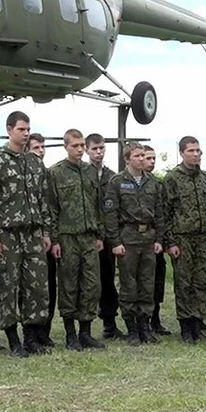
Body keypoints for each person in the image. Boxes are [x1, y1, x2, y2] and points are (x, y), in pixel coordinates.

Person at [0, 111, 53, 357]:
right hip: (7, 235)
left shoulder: (35, 162)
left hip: (33, 233)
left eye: (28, 129)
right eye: (21, 129)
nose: (26, 133)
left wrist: (45, 231)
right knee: (8, 286)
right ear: (9, 129)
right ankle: (13, 340)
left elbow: (43, 199)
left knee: (36, 286)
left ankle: (32, 336)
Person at [48, 129, 105, 351]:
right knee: (69, 284)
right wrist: (54, 240)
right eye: (75, 146)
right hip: (67, 236)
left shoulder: (91, 171)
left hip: (89, 237)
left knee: (91, 285)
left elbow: (97, 204)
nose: (80, 149)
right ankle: (70, 334)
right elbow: (52, 208)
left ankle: (86, 332)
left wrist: (99, 234)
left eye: (82, 145)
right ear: (66, 147)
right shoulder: (55, 173)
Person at [104, 142, 164, 345]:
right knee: (129, 285)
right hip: (127, 239)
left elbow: (159, 213)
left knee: (147, 284)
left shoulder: (153, 183)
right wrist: (115, 241)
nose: (141, 158)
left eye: (143, 155)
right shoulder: (117, 182)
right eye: (137, 155)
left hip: (148, 239)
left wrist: (159, 239)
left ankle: (145, 326)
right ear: (127, 158)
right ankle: (132, 329)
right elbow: (110, 214)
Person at [162, 136, 206, 344]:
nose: (196, 155)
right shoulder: (172, 178)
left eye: (198, 151)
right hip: (182, 238)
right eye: (191, 151)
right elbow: (166, 212)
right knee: (184, 282)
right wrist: (171, 242)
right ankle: (186, 326)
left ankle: (197, 321)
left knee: (201, 282)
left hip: (203, 238)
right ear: (182, 153)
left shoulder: (205, 178)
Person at [87, 133, 123, 340]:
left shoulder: (112, 176)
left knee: (108, 280)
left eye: (101, 148)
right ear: (87, 150)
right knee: (89, 282)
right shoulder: (84, 173)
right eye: (94, 149)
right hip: (89, 236)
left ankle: (109, 322)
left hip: (108, 237)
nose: (99, 152)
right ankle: (84, 326)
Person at [29, 133, 57, 348]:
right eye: (36, 147)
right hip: (28, 239)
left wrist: (51, 236)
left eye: (42, 146)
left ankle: (44, 332)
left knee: (49, 287)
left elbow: (51, 207)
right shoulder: (26, 173)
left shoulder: (47, 174)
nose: (40, 150)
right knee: (32, 288)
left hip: (46, 237)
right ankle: (32, 333)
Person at [143, 146, 171, 336]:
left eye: (154, 158)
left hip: (155, 240)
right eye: (148, 158)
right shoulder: (123, 181)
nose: (152, 162)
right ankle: (141, 321)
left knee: (157, 280)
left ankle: (156, 319)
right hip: (137, 240)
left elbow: (163, 214)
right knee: (142, 282)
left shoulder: (158, 185)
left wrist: (162, 239)